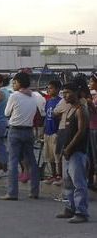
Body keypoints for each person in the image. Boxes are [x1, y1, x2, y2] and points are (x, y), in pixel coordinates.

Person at [0, 71, 41, 200]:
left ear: (19, 83)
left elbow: (7, 112)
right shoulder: (34, 96)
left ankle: (12, 193)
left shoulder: (15, 96)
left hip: (15, 130)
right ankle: (34, 191)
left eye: (15, 82)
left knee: (13, 161)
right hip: (29, 130)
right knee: (32, 162)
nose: (13, 84)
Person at [55, 83, 90, 223]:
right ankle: (70, 208)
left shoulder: (81, 109)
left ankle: (81, 212)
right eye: (64, 93)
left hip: (77, 151)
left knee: (79, 183)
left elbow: (81, 132)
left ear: (77, 92)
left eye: (68, 92)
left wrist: (69, 148)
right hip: (67, 152)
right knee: (68, 183)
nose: (65, 96)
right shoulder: (69, 108)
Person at [42, 80, 62, 184]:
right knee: (49, 155)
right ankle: (53, 175)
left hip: (55, 131)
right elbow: (46, 117)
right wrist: (43, 130)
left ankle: (60, 175)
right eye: (48, 88)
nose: (49, 90)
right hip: (48, 131)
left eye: (51, 88)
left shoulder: (60, 101)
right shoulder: (48, 101)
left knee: (57, 155)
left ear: (58, 89)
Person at [87, 72, 97, 191]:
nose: (90, 83)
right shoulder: (93, 96)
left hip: (95, 129)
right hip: (90, 128)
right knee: (90, 156)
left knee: (95, 156)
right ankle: (90, 180)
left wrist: (91, 105)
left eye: (91, 81)